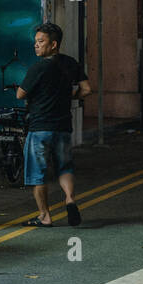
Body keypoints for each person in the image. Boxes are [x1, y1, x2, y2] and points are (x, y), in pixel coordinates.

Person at [16, 22, 89, 228]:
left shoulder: (38, 67)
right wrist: (69, 95)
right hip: (63, 127)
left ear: (54, 44)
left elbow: (20, 93)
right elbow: (86, 89)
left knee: (37, 173)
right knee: (64, 167)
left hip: (40, 128)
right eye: (36, 42)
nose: (36, 46)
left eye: (41, 42)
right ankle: (69, 199)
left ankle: (44, 216)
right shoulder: (70, 63)